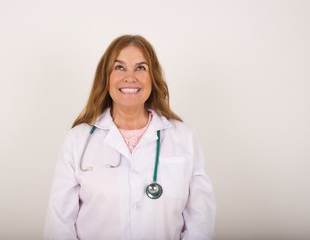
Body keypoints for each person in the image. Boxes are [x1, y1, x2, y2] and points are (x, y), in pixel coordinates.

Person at [44, 35, 216, 240]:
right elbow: (59, 225)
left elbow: (200, 220)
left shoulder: (184, 137)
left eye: (141, 68)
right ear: (105, 77)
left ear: (153, 77)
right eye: (119, 67)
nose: (130, 77)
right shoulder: (77, 140)